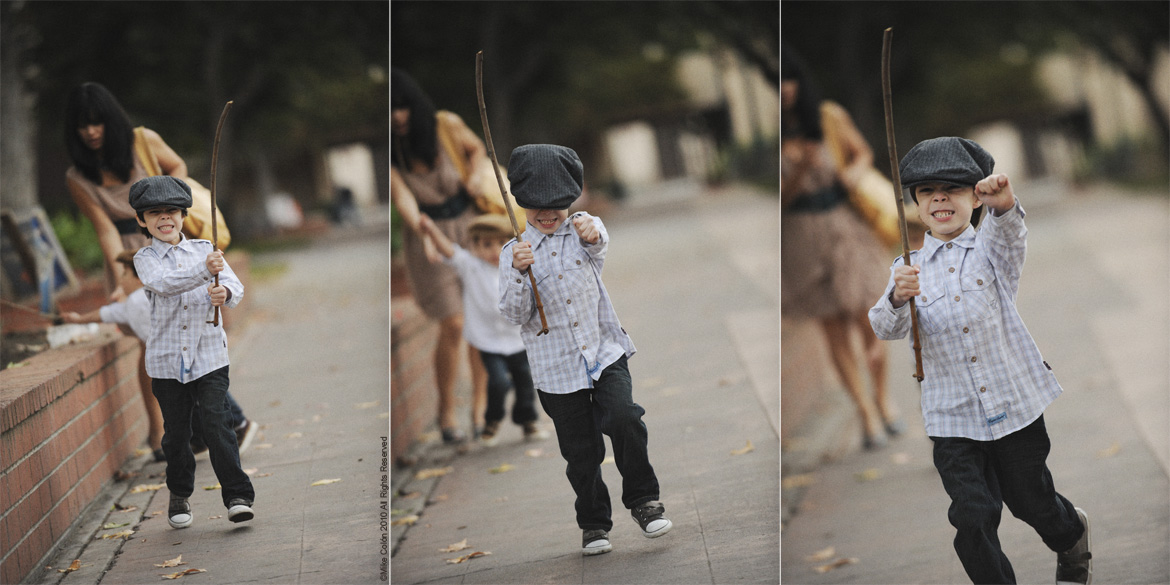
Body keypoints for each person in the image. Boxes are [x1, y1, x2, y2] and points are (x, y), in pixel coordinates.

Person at [868, 137, 1091, 585]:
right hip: (952, 421)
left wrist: (1005, 205)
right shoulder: (907, 267)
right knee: (972, 519)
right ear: (914, 204)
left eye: (952, 189)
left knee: (1031, 502)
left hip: (1014, 409)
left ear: (974, 197)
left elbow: (1009, 233)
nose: (939, 199)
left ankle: (1071, 536)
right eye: (927, 191)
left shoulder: (991, 251)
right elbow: (883, 326)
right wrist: (896, 296)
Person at [63, 82, 256, 459]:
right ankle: (173, 435)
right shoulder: (77, 176)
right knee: (154, 342)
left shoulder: (143, 141)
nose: (91, 131)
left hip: (171, 241)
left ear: (111, 119)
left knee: (168, 338)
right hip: (130, 258)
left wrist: (167, 198)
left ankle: (208, 426)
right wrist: (121, 284)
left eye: (97, 121)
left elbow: (178, 167)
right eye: (82, 125)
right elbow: (106, 229)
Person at [499, 144, 671, 557]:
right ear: (521, 203)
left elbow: (597, 241)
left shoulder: (583, 229)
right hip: (556, 370)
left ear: (570, 198)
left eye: (556, 204)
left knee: (626, 417)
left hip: (603, 353)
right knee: (582, 453)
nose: (547, 213)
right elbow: (512, 313)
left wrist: (592, 232)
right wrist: (521, 274)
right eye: (536, 205)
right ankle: (593, 524)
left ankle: (644, 501)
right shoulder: (513, 252)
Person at [780, 49, 902, 449]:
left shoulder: (829, 116)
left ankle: (883, 400)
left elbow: (862, 152)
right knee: (833, 331)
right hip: (800, 238)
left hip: (846, 227)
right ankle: (866, 415)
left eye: (789, 79)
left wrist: (852, 173)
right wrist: (798, 169)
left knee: (871, 318)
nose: (784, 89)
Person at [129, 175, 255, 529]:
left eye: (171, 210)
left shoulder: (205, 249)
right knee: (178, 435)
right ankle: (180, 494)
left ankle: (238, 496)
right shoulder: (145, 259)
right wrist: (204, 273)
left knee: (218, 425)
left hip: (210, 356)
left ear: (184, 215)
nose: (164, 218)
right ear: (142, 220)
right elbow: (164, 285)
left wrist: (224, 294)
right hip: (167, 364)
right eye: (155, 212)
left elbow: (234, 285)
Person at [60, 250, 260, 462]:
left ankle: (238, 423)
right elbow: (107, 313)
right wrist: (78, 319)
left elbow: (112, 312)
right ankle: (201, 438)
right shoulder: (133, 303)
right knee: (194, 398)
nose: (121, 280)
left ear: (139, 277)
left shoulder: (140, 299)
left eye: (125, 274)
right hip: (174, 359)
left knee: (204, 396)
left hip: (183, 355)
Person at [390, 68, 488, 443]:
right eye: (389, 111)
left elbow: (476, 148)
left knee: (478, 321)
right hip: (429, 239)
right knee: (454, 323)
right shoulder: (392, 153)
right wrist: (424, 233)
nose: (396, 116)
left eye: (401, 107)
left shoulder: (445, 124)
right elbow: (404, 200)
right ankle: (447, 409)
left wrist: (476, 174)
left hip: (472, 229)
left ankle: (479, 407)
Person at [417, 213, 550, 446]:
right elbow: (448, 250)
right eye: (486, 244)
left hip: (517, 339)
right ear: (475, 246)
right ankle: (492, 421)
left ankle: (527, 420)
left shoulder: (516, 266)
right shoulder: (471, 265)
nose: (494, 250)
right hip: (488, 341)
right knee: (497, 382)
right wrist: (430, 229)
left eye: (500, 243)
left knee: (525, 381)